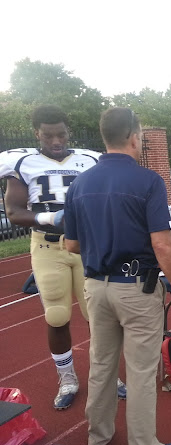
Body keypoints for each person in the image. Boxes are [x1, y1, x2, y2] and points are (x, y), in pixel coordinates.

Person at [64, 107, 171, 445]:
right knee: (140, 372)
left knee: (101, 365)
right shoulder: (148, 181)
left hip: (95, 286)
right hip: (136, 288)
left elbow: (71, 245)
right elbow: (163, 245)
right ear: (135, 136)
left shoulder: (80, 184)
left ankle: (96, 439)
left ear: (105, 137)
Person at [0, 105, 126, 410]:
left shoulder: (90, 160)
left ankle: (107, 374)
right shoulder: (23, 163)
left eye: (61, 134)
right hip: (48, 246)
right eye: (48, 135)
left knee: (99, 315)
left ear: (68, 131)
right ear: (37, 134)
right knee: (56, 315)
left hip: (87, 245)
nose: (56, 141)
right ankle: (67, 377)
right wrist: (50, 218)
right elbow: (14, 211)